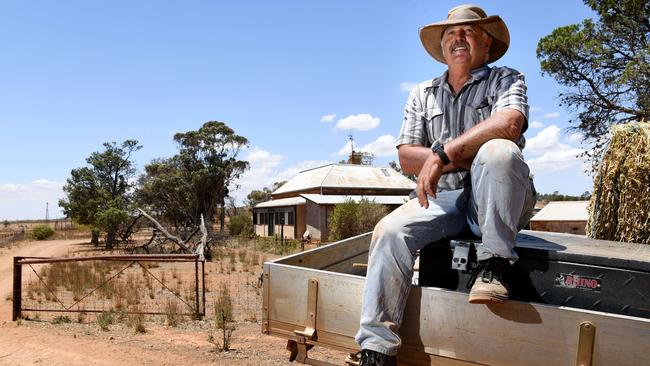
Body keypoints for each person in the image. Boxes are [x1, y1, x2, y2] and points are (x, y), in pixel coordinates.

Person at [355, 5, 537, 365]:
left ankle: (495, 263)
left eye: (469, 32)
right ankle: (376, 350)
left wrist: (441, 156)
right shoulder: (423, 92)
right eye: (451, 34)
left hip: (496, 196)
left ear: (487, 43)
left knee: (498, 152)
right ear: (441, 47)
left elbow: (510, 125)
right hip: (442, 197)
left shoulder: (506, 78)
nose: (458, 38)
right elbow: (407, 157)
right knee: (389, 231)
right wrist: (464, 154)